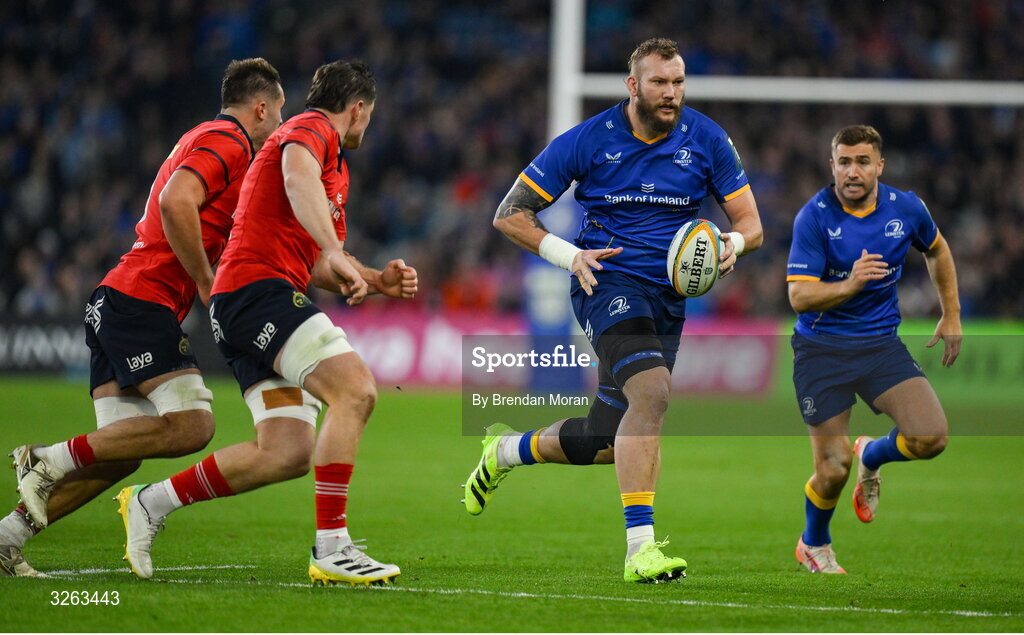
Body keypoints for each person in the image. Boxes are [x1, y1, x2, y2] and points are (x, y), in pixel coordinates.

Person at [463, 38, 763, 583]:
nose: (671, 93)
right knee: (653, 394)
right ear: (633, 86)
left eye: (677, 82)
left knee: (604, 438)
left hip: (669, 298)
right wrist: (569, 255)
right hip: (608, 284)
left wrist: (731, 246)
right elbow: (510, 214)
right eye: (659, 83)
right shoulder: (588, 141)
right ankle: (640, 550)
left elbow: (752, 226)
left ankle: (506, 450)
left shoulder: (708, 140)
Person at [114, 60, 418, 586]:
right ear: (359, 108)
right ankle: (333, 546)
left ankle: (149, 501)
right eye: (369, 115)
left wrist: (371, 276)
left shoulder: (334, 167)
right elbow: (298, 177)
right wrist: (332, 247)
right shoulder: (310, 129)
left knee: (285, 453)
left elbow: (318, 260)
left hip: (248, 302)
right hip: (258, 294)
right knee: (356, 392)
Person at [2, 59, 285, 578]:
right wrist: (205, 282)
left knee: (118, 455)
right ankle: (46, 458)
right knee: (195, 423)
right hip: (141, 300)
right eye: (279, 112)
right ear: (260, 108)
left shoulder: (203, 136)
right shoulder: (232, 139)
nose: (279, 125)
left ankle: (6, 536)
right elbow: (178, 202)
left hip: (118, 297)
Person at [787, 125, 961, 574]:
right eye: (843, 161)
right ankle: (814, 543)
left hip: (879, 345)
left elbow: (937, 250)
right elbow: (799, 297)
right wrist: (851, 283)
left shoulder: (906, 208)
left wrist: (952, 312)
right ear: (832, 166)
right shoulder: (815, 217)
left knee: (931, 438)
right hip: (821, 351)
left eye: (862, 161)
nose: (852, 171)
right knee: (832, 469)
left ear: (879, 166)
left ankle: (874, 453)